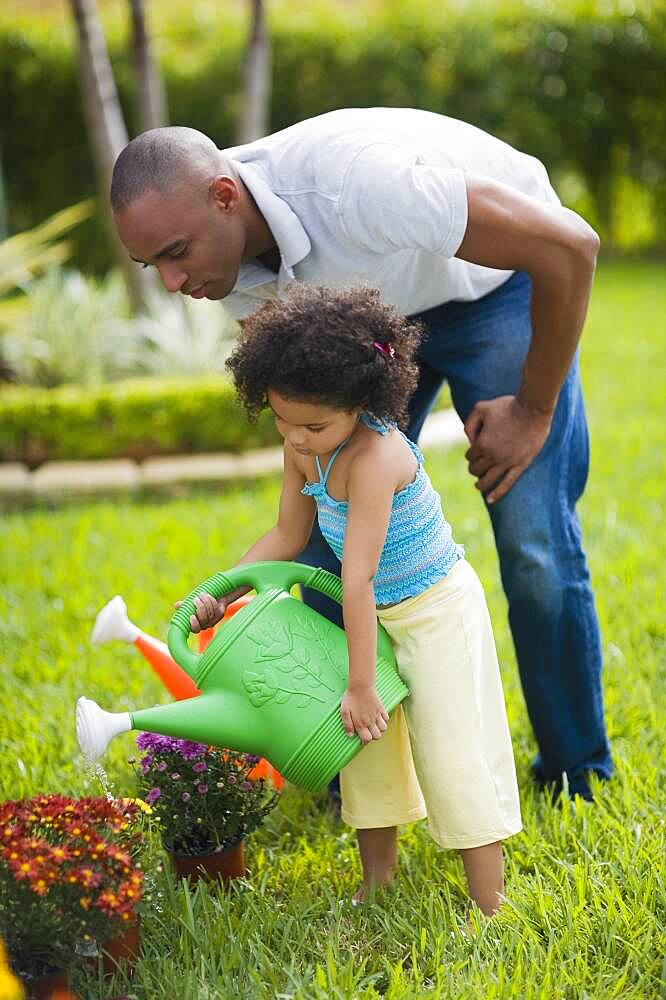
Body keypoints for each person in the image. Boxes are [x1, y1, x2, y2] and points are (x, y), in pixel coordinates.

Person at [110, 107, 611, 800]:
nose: (170, 283)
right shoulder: (222, 260)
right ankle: (353, 765)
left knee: (533, 540)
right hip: (372, 331)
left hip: (492, 287)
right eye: (149, 263)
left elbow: (570, 246)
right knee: (332, 536)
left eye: (174, 253)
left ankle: (575, 770)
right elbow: (306, 501)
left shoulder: (356, 182)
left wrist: (533, 409)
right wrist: (230, 587)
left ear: (225, 197)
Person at [179, 284, 522, 914]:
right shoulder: (302, 448)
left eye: (313, 425)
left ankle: (489, 902)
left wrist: (360, 685)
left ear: (362, 403)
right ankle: (378, 879)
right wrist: (220, 591)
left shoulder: (374, 457)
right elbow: (288, 534)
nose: (298, 437)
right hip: (371, 610)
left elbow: (357, 576)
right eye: (282, 420)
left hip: (433, 609)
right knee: (364, 753)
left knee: (452, 748)